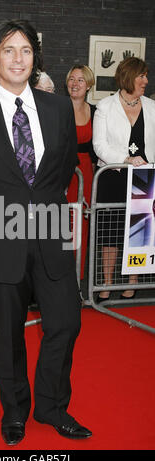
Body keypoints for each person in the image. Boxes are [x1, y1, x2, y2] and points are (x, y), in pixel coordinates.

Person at [0, 19, 92, 446]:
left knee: (66, 323)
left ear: (35, 58)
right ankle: (15, 412)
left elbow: (64, 168)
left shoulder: (59, 108)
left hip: (51, 235)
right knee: (9, 336)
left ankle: (51, 406)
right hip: (0, 238)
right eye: (8, 50)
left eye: (25, 50)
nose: (17, 58)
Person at [93, 57, 155, 301]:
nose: (146, 81)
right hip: (113, 176)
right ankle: (107, 282)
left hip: (144, 179)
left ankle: (133, 279)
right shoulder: (105, 106)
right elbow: (99, 145)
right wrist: (124, 159)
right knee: (111, 232)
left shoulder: (151, 106)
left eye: (146, 76)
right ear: (128, 77)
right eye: (141, 76)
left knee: (139, 230)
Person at [66, 65, 97, 279]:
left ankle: (78, 277)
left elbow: (96, 148)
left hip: (85, 171)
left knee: (81, 223)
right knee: (60, 222)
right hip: (61, 172)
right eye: (72, 79)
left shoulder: (95, 111)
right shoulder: (58, 107)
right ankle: (59, 276)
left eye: (80, 80)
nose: (75, 84)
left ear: (88, 85)